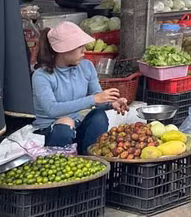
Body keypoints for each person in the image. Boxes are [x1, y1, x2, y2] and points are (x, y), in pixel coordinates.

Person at [32, 22, 129, 155]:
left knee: (98, 116)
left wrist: (111, 104)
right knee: (65, 123)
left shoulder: (87, 66)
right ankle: (61, 165)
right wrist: (94, 99)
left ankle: (91, 160)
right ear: (62, 50)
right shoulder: (42, 76)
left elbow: (97, 97)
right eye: (78, 47)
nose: (83, 51)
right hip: (51, 131)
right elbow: (52, 109)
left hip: (78, 125)